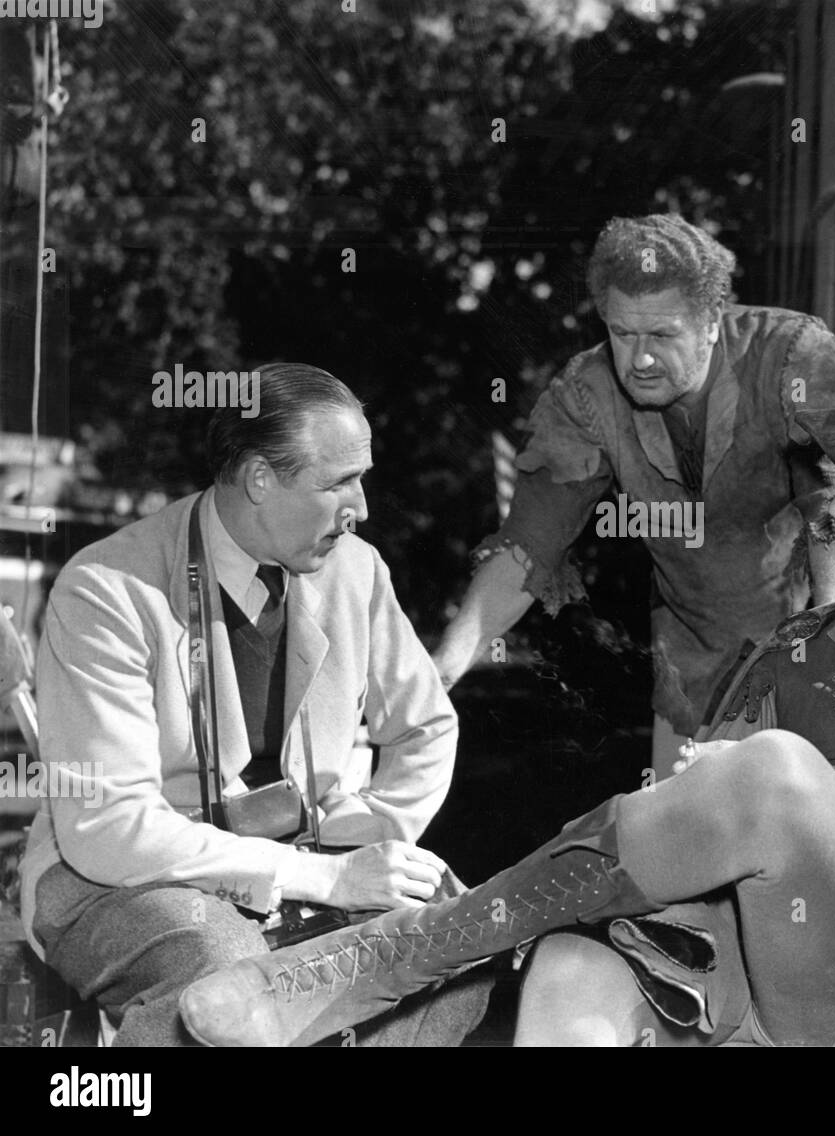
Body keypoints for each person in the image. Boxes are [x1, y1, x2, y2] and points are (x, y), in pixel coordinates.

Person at [179, 370, 835, 1049]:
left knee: (781, 773)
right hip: (762, 963)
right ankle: (404, 952)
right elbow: (694, 815)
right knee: (572, 967)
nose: (832, 509)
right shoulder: (793, 651)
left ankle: (400, 953)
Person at [19, 364, 491, 1046]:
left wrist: (365, 839)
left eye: (361, 477)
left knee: (452, 949)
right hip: (112, 879)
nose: (363, 507)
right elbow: (111, 830)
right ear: (261, 480)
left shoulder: (357, 570)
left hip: (306, 869)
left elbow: (426, 725)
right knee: (221, 974)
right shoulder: (105, 589)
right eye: (339, 483)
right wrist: (323, 876)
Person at [435, 213, 835, 777]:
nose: (639, 359)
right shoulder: (584, 396)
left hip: (832, 632)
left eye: (663, 336)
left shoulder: (793, 356)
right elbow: (527, 548)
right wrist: (443, 668)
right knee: (692, 845)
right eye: (622, 334)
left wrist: (831, 657)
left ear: (712, 321)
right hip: (692, 664)